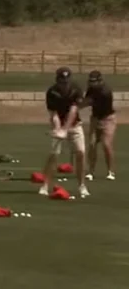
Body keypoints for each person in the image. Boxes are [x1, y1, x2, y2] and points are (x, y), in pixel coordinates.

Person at [39, 67, 90, 198]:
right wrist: (58, 129)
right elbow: (54, 113)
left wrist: (65, 130)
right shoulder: (52, 92)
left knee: (81, 152)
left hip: (74, 125)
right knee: (54, 155)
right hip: (58, 125)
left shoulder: (76, 89)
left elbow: (73, 111)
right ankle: (45, 185)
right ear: (57, 80)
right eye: (62, 82)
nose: (64, 84)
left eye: (66, 82)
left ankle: (82, 186)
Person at [82, 70, 116, 181]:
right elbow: (86, 101)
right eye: (90, 81)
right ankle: (90, 171)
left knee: (106, 144)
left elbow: (88, 102)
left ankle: (110, 171)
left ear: (99, 81)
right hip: (95, 118)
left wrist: (76, 106)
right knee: (91, 144)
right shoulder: (91, 89)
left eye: (93, 81)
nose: (91, 83)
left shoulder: (105, 92)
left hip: (107, 118)